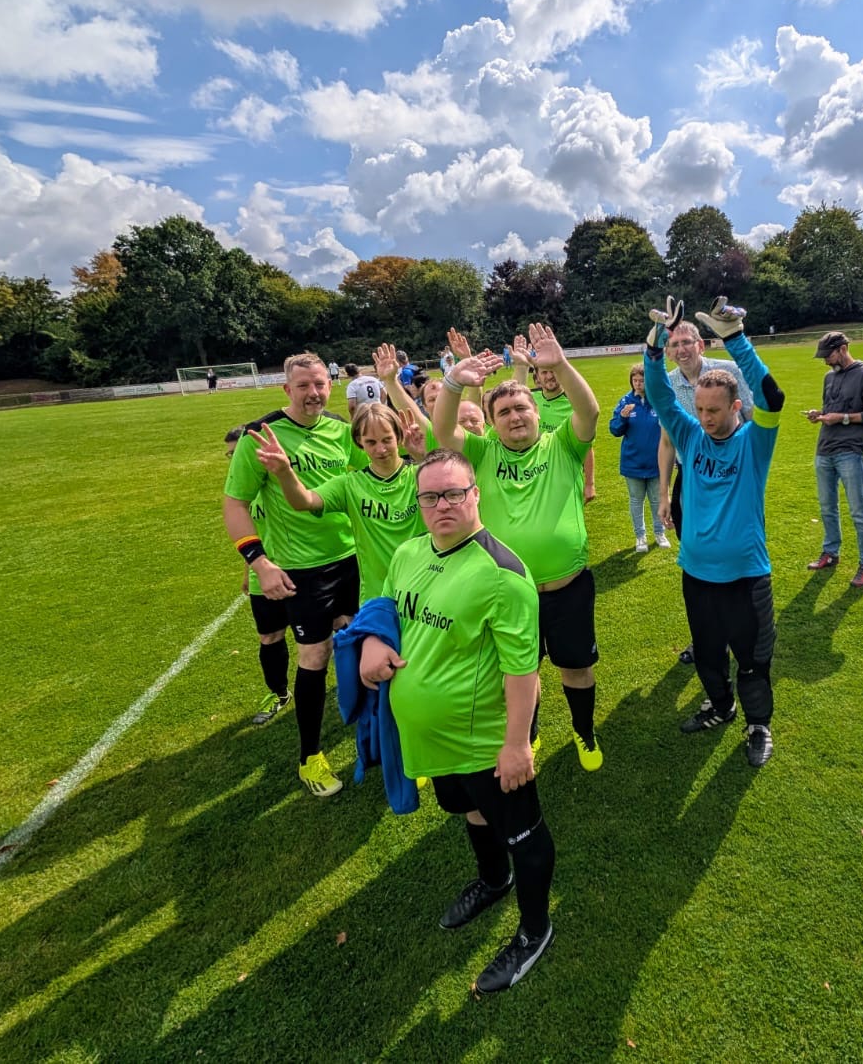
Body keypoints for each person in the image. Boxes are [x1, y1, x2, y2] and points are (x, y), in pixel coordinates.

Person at [358, 449, 555, 992]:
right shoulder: (408, 553)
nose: (442, 505)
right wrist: (372, 640)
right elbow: (386, 607)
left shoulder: (503, 575)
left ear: (475, 495)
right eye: (430, 496)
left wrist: (517, 745)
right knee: (469, 810)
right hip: (431, 739)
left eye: (453, 493)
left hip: (486, 742)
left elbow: (523, 671)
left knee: (524, 833)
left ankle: (535, 930)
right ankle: (494, 880)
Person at [435, 324, 605, 770]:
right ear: (492, 422)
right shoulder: (483, 454)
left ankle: (584, 731)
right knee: (519, 670)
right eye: (504, 411)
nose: (514, 416)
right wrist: (453, 382)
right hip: (509, 592)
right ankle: (528, 735)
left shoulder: (563, 444)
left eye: (521, 407)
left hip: (568, 587)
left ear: (536, 412)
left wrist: (560, 364)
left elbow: (589, 412)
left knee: (576, 667)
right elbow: (443, 432)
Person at [645, 297, 782, 767]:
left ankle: (758, 725)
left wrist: (736, 339)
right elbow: (661, 396)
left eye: (714, 410)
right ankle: (721, 708)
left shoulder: (754, 441)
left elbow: (773, 397)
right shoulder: (690, 435)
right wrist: (656, 344)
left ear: (735, 406)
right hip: (698, 574)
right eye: (700, 409)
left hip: (745, 576)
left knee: (753, 659)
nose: (705, 418)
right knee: (707, 655)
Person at [223, 352, 368, 797]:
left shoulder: (341, 431)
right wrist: (260, 563)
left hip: (351, 561)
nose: (313, 393)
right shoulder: (260, 435)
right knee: (315, 656)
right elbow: (235, 504)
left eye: (320, 384)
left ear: (330, 385)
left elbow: (370, 477)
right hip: (302, 571)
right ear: (287, 389)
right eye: (303, 386)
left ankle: (364, 730)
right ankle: (310, 758)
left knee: (353, 643)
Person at [250, 401, 428, 604]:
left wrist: (421, 456)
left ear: (398, 436)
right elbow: (304, 501)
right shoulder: (350, 484)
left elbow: (453, 488)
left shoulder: (421, 475)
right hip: (379, 597)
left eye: (387, 440)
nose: (380, 449)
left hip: (425, 590)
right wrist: (285, 472)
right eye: (371, 442)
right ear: (359, 441)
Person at [655, 320, 754, 666]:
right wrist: (664, 494)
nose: (681, 349)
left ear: (700, 344)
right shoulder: (668, 383)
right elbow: (667, 441)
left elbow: (753, 420)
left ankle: (736, 631)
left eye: (686, 342)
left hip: (730, 477)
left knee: (732, 555)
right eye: (674, 344)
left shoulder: (728, 372)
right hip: (690, 477)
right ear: (668, 351)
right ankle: (706, 636)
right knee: (697, 560)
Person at [805, 331, 863, 588]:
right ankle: (831, 552)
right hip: (824, 450)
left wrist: (842, 418)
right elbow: (832, 409)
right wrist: (820, 414)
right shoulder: (829, 377)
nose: (826, 361)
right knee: (827, 507)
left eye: (828, 355)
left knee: (858, 511)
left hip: (850, 451)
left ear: (843, 349)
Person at [225, 428, 292, 726]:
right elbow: (248, 537)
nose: (233, 459)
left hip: (299, 567)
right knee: (270, 636)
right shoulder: (240, 493)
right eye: (229, 455)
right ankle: (279, 693)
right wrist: (249, 571)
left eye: (237, 453)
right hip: (262, 577)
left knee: (327, 635)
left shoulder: (281, 480)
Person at [514, 335, 595, 503]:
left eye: (553, 371)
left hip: (566, 475)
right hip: (531, 473)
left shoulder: (574, 403)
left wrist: (589, 483)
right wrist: (521, 367)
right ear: (537, 376)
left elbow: (586, 446)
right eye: (544, 372)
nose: (549, 376)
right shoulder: (530, 399)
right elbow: (512, 398)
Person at [608, 362, 667, 553]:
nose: (638, 384)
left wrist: (671, 457)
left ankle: (659, 532)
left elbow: (670, 430)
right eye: (635, 380)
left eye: (642, 380)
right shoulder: (625, 402)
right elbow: (614, 430)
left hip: (656, 462)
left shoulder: (658, 401)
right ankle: (640, 536)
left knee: (657, 500)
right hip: (633, 463)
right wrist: (622, 418)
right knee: (636, 501)